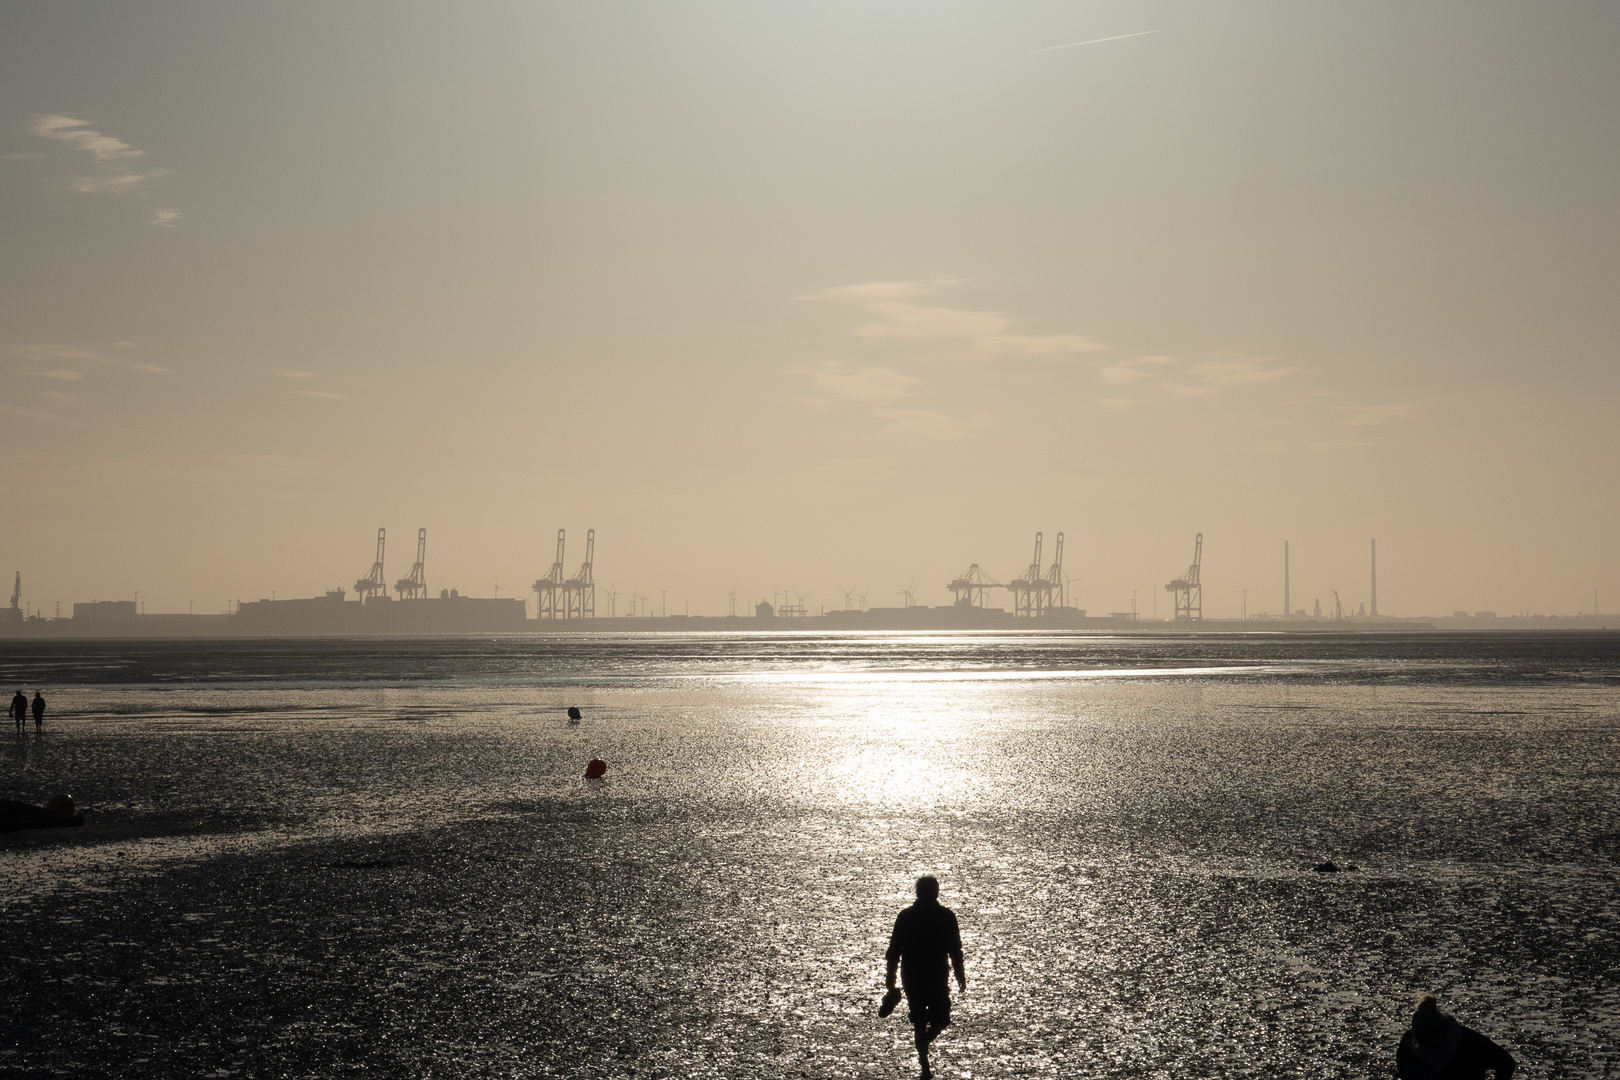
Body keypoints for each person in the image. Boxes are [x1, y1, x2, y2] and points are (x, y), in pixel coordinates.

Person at [884, 876, 966, 1080]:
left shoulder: (946, 916)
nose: (929, 894)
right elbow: (894, 950)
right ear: (919, 893)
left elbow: (955, 949)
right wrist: (891, 979)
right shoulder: (907, 916)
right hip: (915, 975)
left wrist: (959, 973)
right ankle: (924, 1066)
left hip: (936, 975)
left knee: (941, 1020)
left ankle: (922, 1046)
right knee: (920, 1020)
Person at [1397, 994, 1516, 1079]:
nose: (1425, 1045)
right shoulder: (1408, 1046)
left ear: (1441, 1032)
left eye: (1429, 1039)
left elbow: (1507, 1064)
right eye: (1420, 1040)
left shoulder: (1470, 1043)